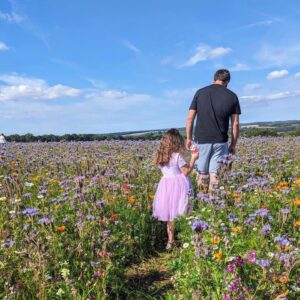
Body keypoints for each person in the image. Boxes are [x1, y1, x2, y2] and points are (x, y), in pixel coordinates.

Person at [186, 69, 241, 191]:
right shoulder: (232, 96)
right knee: (214, 174)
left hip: (201, 140)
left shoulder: (200, 93)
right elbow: (235, 124)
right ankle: (213, 204)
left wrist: (189, 138)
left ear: (214, 79)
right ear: (227, 82)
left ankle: (201, 202)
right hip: (220, 141)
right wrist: (233, 144)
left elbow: (190, 118)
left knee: (201, 173)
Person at [152, 128, 199, 249]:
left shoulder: (160, 157)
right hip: (180, 187)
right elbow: (186, 172)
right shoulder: (177, 156)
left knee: (170, 216)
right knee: (185, 211)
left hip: (166, 187)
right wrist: (193, 158)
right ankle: (188, 238)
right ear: (176, 142)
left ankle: (170, 242)